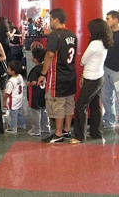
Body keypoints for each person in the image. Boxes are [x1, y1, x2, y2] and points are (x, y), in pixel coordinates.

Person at [38, 8, 77, 144]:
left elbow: (49, 54)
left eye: (50, 19)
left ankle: (58, 133)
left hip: (57, 76)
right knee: (68, 103)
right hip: (70, 74)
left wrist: (43, 74)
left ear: (56, 19)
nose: (50, 22)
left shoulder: (55, 35)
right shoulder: (73, 35)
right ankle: (67, 130)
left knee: (57, 104)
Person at [70, 19, 113, 144]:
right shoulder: (104, 42)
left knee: (80, 107)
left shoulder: (94, 43)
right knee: (95, 106)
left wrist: (83, 70)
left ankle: (79, 136)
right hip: (99, 76)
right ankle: (96, 132)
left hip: (92, 78)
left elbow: (83, 60)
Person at [26, 47, 50, 136]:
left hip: (35, 95)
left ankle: (36, 130)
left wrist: (27, 84)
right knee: (44, 111)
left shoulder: (34, 70)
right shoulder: (45, 68)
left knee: (36, 112)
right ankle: (45, 127)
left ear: (35, 59)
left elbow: (33, 82)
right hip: (44, 93)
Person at [4, 60, 26, 133]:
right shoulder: (20, 76)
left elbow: (8, 93)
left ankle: (13, 128)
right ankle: (23, 124)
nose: (7, 69)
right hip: (19, 98)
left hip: (13, 101)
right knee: (20, 112)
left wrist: (4, 100)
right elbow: (22, 86)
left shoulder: (10, 81)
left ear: (13, 71)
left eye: (8, 68)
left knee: (13, 114)